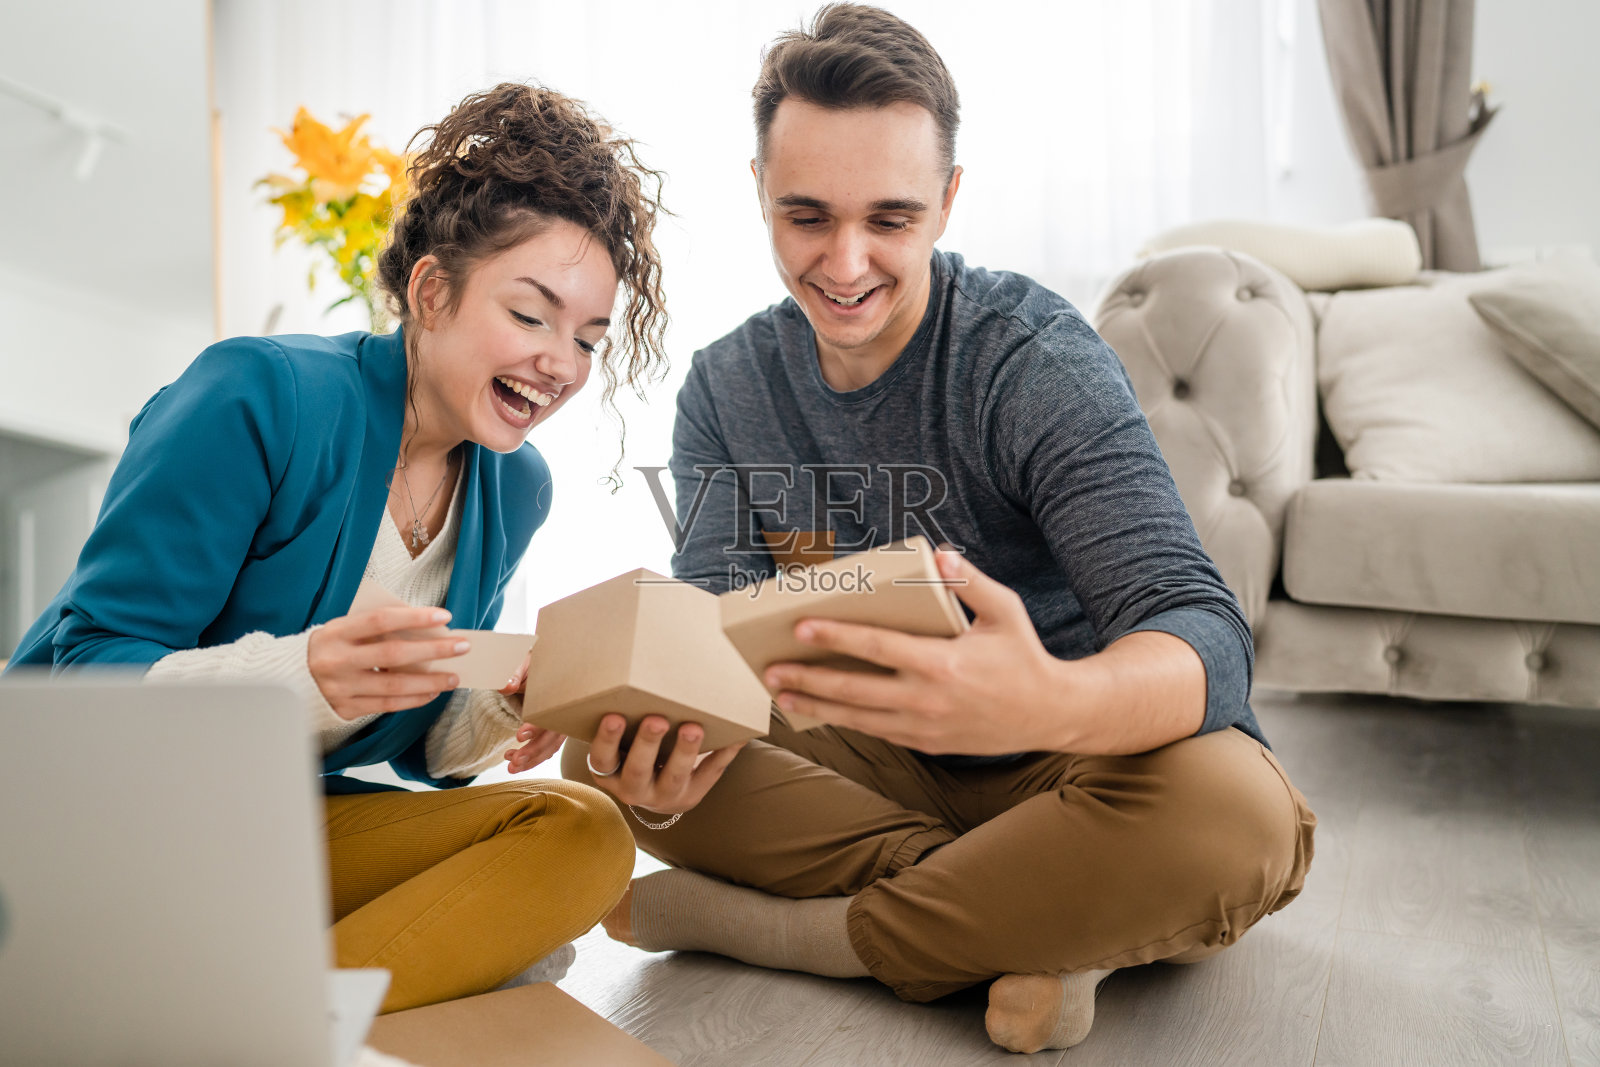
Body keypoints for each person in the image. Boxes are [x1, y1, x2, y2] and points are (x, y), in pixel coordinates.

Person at [562, 5, 1317, 1054]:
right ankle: (1054, 914)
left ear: (948, 199)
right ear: (757, 193)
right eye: (806, 215)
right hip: (863, 751)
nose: (846, 259)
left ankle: (811, 934)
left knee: (1243, 820)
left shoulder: (1027, 358)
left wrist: (1051, 694)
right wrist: (670, 722)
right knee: (603, 757)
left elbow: (1201, 626)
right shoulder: (726, 385)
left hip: (1070, 757)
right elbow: (716, 634)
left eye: (891, 217)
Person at [4, 82, 744, 1014]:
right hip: (93, 814)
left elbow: (421, 752)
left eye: (588, 338)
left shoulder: (517, 486)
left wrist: (510, 701)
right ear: (432, 292)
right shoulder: (257, 395)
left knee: (583, 830)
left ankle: (253, 1018)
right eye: (530, 316)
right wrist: (303, 673)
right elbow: (88, 676)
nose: (561, 362)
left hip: (266, 826)